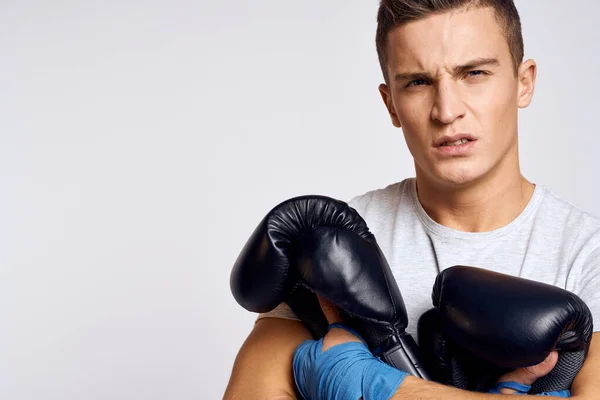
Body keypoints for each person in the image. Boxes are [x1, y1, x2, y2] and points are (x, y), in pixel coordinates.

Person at [223, 0, 600, 398]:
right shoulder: (340, 240)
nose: (447, 111)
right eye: (418, 82)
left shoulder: (588, 253)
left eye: (474, 73)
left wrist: (369, 384)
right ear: (391, 104)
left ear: (524, 82)